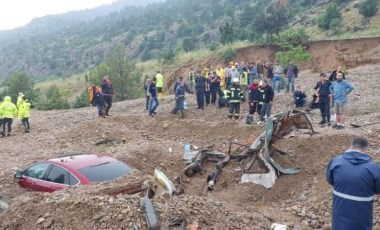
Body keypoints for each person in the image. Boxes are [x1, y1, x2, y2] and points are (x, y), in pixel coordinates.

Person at [327, 136, 380, 230]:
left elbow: (330, 180)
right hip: (362, 222)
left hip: (339, 220)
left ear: (351, 146)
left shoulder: (336, 162)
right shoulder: (374, 168)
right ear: (366, 150)